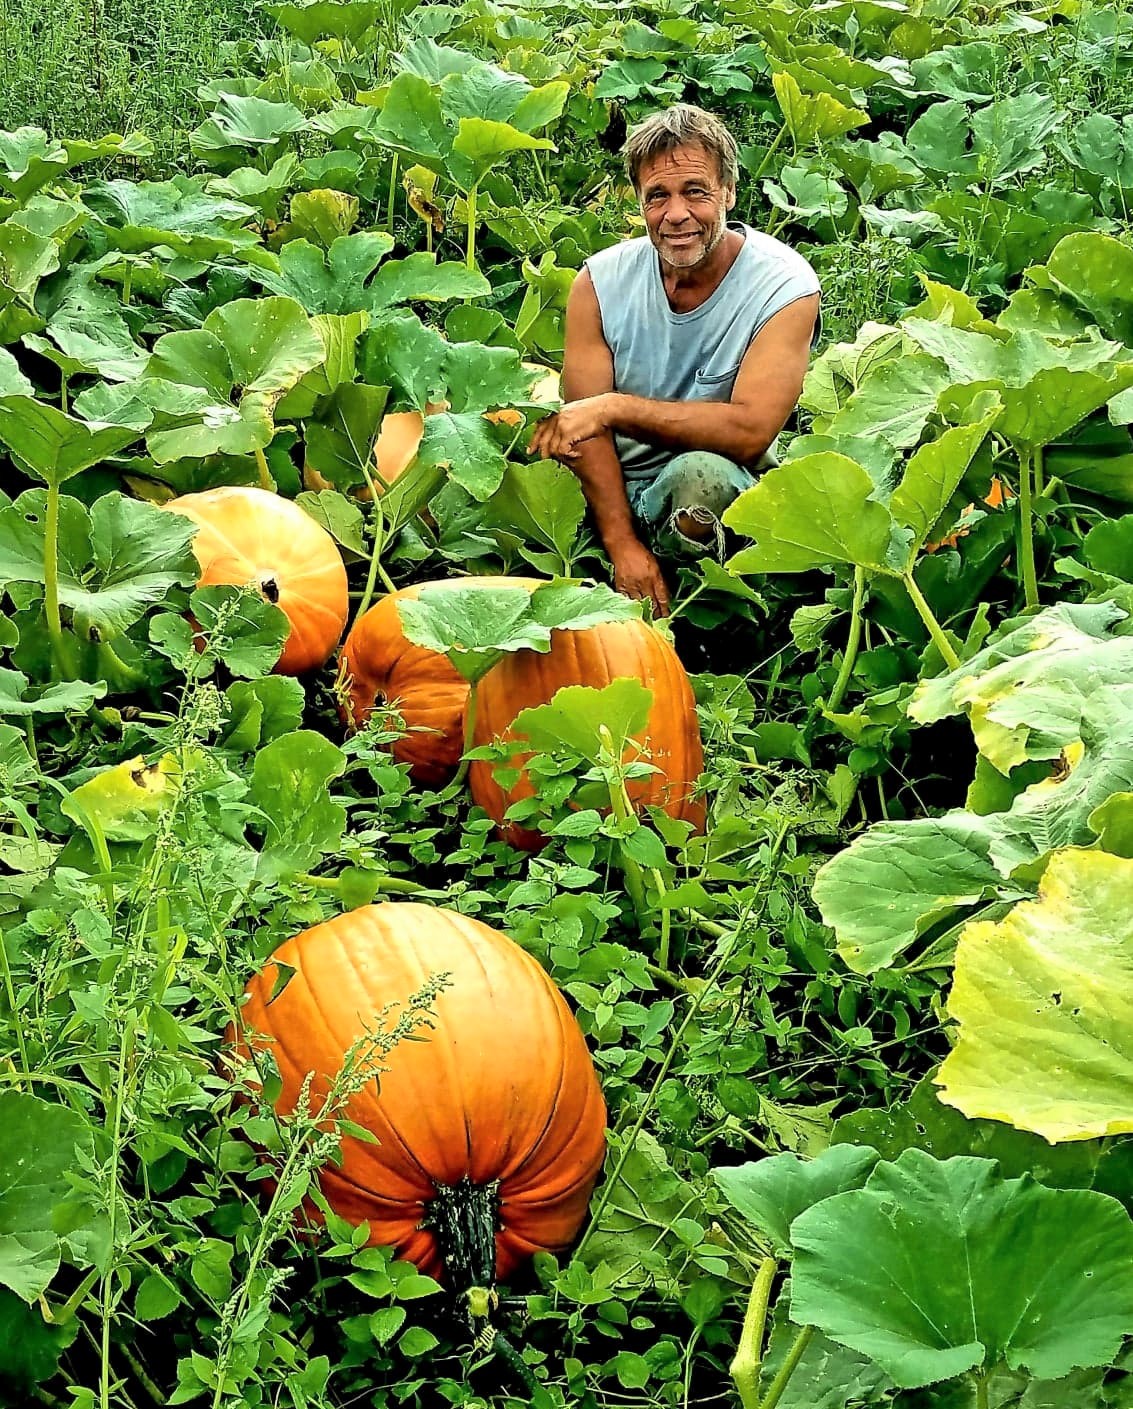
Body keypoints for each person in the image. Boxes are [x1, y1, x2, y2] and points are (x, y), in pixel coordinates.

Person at [528, 104, 821, 618]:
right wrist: (622, 545)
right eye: (657, 196)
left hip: (722, 491)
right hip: (607, 489)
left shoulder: (785, 288)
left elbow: (750, 431)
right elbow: (585, 429)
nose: (676, 214)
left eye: (696, 192)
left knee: (699, 476)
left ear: (729, 191)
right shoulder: (599, 282)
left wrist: (615, 408)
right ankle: (613, 562)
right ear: (639, 202)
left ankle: (711, 615)